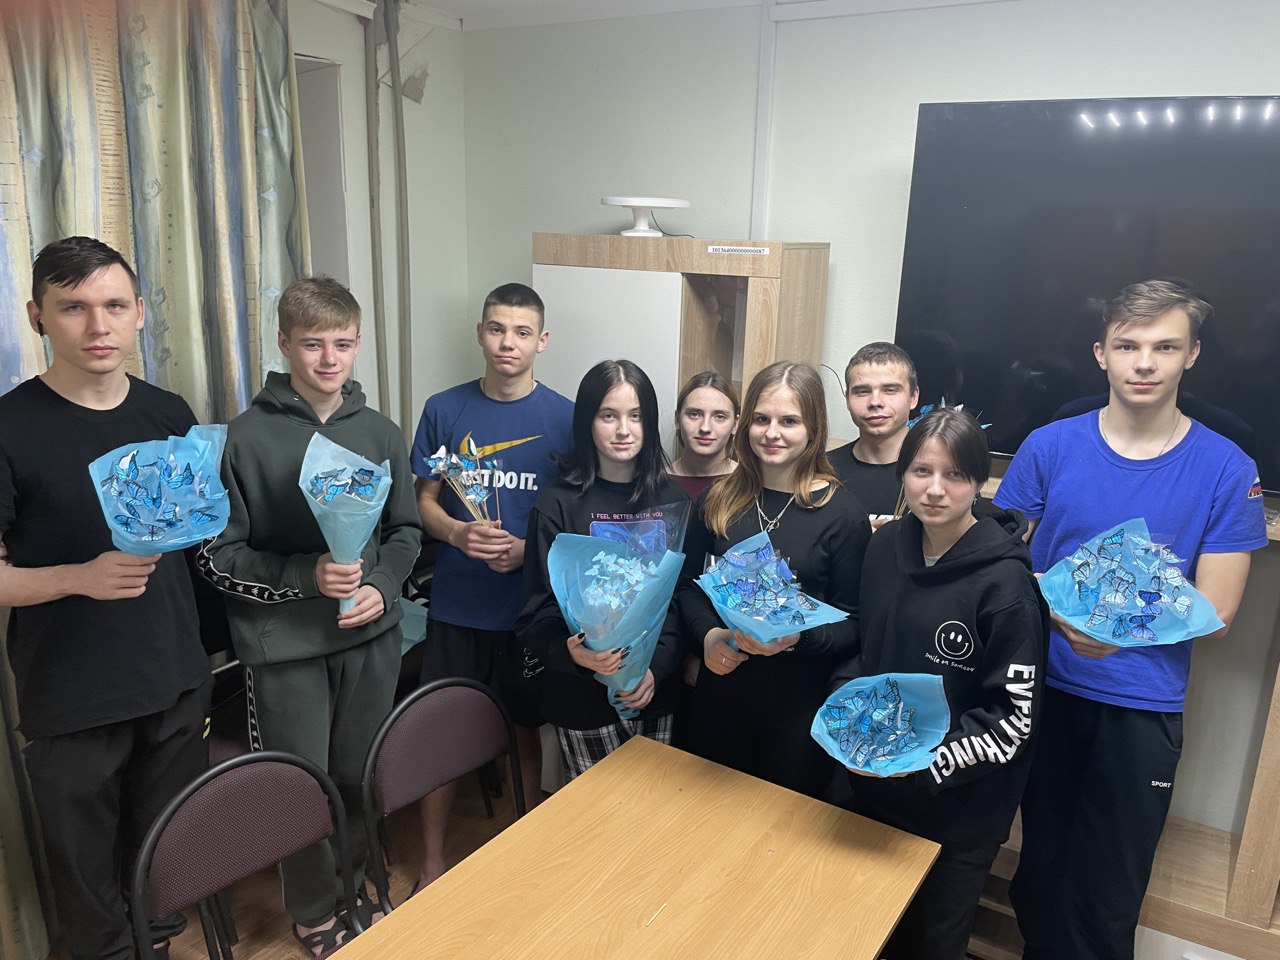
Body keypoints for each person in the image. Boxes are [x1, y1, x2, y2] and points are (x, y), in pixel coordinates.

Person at [995, 279, 1267, 960]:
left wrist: (1113, 628)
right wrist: (1057, 617)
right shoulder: (1048, 446)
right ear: (1101, 354)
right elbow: (999, 567)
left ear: (1192, 355)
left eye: (1165, 347)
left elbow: (1218, 613)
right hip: (1041, 691)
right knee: (1039, 875)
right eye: (1127, 345)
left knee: (1108, 897)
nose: (1144, 362)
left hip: (1141, 706)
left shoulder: (1227, 468)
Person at [0, 237, 211, 960]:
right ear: (37, 316)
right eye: (74, 308)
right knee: (91, 902)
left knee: (162, 876)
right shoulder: (10, 427)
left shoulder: (168, 413)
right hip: (74, 701)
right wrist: (76, 577)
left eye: (115, 305)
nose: (98, 326)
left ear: (140, 313)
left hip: (174, 681)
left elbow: (195, 537)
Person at [199, 277, 421, 957]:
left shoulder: (381, 432)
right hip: (285, 649)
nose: (330, 359)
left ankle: (356, 885)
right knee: (300, 786)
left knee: (358, 774)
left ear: (358, 344)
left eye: (343, 344)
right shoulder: (241, 439)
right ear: (284, 343)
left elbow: (406, 532)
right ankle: (315, 909)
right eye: (313, 344)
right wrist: (307, 575)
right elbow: (219, 557)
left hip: (369, 638)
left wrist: (383, 585)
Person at [831, 407, 1047, 960]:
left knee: (933, 944)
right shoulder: (884, 547)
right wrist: (847, 720)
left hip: (960, 811)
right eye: (921, 471)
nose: (934, 489)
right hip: (874, 789)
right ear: (902, 475)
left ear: (978, 482)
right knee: (864, 934)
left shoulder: (1006, 585)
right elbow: (867, 651)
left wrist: (922, 762)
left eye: (955, 475)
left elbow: (1013, 721)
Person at [408, 282, 572, 887]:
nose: (508, 342)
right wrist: (456, 533)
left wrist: (532, 553)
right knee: (440, 735)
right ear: (480, 333)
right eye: (497, 329)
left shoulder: (567, 420)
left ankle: (520, 858)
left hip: (529, 609)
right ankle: (431, 861)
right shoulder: (444, 409)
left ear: (542, 341)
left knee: (524, 733)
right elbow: (424, 500)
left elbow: (577, 518)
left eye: (522, 332)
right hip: (457, 606)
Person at [679, 361, 871, 797]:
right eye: (761, 419)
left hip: (798, 710)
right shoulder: (718, 499)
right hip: (720, 695)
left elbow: (856, 624)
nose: (772, 433)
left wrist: (797, 639)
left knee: (781, 827)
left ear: (813, 428)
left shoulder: (842, 515)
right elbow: (689, 587)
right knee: (707, 818)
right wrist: (708, 636)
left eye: (789, 421)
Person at [517, 359, 689, 778]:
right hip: (582, 700)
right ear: (587, 422)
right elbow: (537, 611)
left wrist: (656, 668)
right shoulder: (557, 504)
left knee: (657, 810)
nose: (623, 430)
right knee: (599, 815)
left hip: (655, 693)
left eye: (636, 416)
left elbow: (681, 599)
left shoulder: (673, 499)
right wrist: (572, 654)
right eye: (608, 416)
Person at [828, 342, 920, 529]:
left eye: (890, 390)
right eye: (862, 391)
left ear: (913, 397)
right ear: (847, 399)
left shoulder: (941, 472)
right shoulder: (822, 471)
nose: (875, 402)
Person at [668, 370, 740, 500]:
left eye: (719, 416)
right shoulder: (654, 483)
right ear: (677, 420)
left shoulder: (749, 484)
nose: (705, 428)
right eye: (694, 414)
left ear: (735, 424)